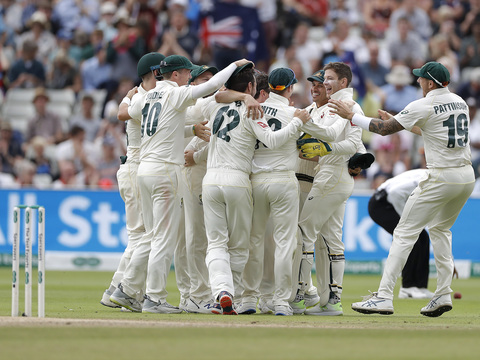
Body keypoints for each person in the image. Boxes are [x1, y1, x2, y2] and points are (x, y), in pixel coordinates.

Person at [110, 55, 256, 314]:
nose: (189, 77)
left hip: (144, 169)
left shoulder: (147, 96)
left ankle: (125, 289)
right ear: (175, 74)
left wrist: (190, 130)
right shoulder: (176, 94)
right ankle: (154, 298)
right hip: (166, 170)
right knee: (165, 239)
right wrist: (234, 65)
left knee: (152, 235)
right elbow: (212, 87)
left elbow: (133, 115)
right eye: (187, 73)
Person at [329, 61, 475, 317]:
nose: (417, 82)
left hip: (441, 176)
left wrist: (352, 116)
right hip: (465, 176)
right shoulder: (460, 101)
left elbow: (384, 130)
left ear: (430, 83)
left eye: (420, 79)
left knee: (405, 232)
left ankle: (384, 296)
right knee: (441, 229)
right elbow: (435, 128)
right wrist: (403, 123)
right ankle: (442, 293)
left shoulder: (424, 104)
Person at [201, 63, 310, 315]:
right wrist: (297, 123)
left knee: (221, 243)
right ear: (251, 87)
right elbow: (272, 140)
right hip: (248, 180)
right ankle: (279, 301)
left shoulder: (215, 104)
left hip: (216, 179)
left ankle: (233, 295)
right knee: (257, 245)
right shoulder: (254, 110)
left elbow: (214, 93)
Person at [294, 62, 365, 316]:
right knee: (332, 239)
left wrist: (302, 124)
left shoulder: (343, 105)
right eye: (324, 79)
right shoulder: (336, 105)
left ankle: (300, 296)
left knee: (304, 231)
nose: (325, 83)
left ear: (343, 82)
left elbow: (333, 135)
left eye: (330, 79)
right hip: (335, 176)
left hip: (332, 176)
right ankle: (332, 301)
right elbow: (352, 144)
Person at [101, 52, 165, 310]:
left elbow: (121, 111)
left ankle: (116, 290)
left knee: (138, 235)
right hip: (138, 167)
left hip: (132, 168)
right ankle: (124, 290)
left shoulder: (137, 96)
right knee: (144, 235)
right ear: (156, 73)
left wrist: (127, 96)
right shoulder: (145, 98)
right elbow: (122, 114)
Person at [369, 169, 434, 299]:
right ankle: (407, 287)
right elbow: (394, 193)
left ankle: (420, 286)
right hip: (381, 205)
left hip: (390, 202)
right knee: (410, 238)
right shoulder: (425, 179)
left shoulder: (432, 176)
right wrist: (406, 220)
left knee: (423, 238)